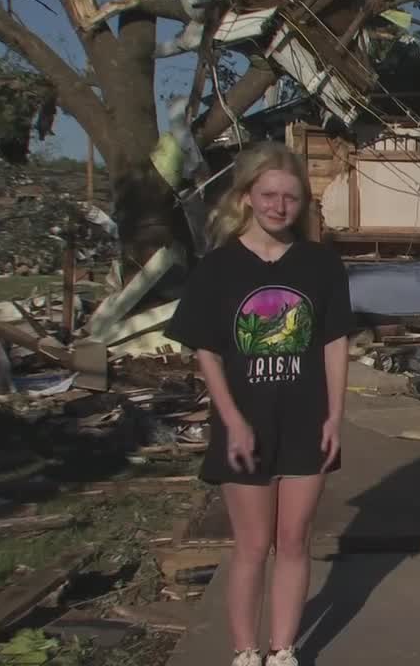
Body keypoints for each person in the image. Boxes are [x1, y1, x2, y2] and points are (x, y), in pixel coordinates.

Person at [164, 142, 355, 666]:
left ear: (303, 203)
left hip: (306, 422)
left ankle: (282, 650)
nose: (279, 206)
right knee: (251, 546)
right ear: (248, 196)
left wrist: (335, 417)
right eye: (268, 194)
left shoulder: (321, 265)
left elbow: (334, 342)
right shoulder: (218, 267)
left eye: (290, 197)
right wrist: (231, 420)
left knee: (294, 541)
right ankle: (245, 651)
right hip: (243, 423)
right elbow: (206, 349)